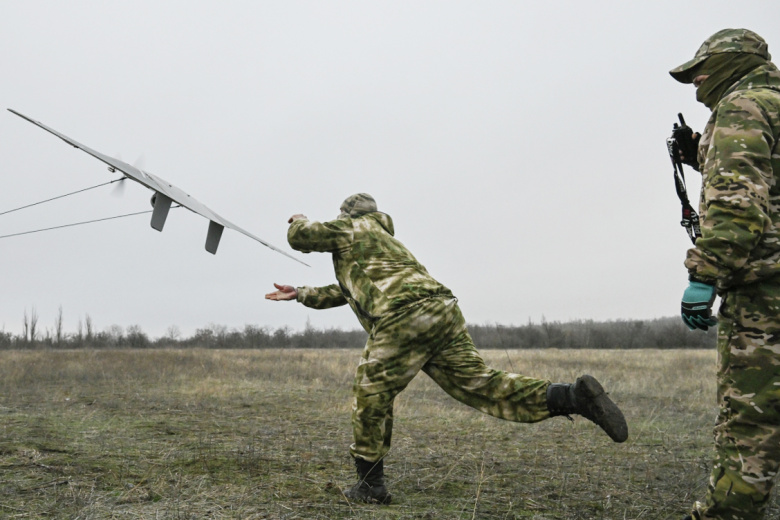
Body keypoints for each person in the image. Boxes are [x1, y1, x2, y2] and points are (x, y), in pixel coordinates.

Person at [265, 193, 628, 504]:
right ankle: (572, 397)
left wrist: (299, 220)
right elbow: (346, 291)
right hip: (442, 311)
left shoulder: (353, 227)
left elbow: (302, 237)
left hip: (404, 316)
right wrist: (301, 293)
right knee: (482, 384)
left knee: (370, 392)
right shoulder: (381, 244)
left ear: (347, 214)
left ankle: (370, 485)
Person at [669, 28, 780, 520]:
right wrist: (698, 152)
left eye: (701, 69)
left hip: (766, 295)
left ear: (734, 62)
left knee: (749, 421)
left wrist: (705, 274)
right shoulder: (771, 103)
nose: (695, 82)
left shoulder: (742, 106)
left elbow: (739, 204)